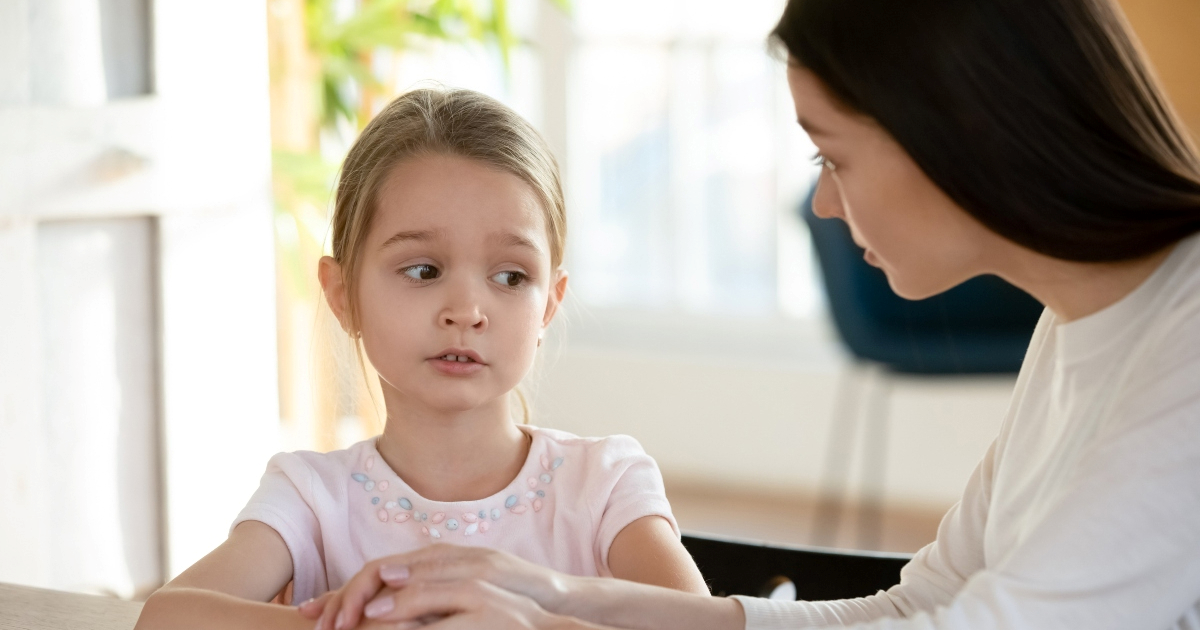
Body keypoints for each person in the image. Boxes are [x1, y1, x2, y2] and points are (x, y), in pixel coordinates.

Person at [304, 0, 1200, 628]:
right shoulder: (1078, 325)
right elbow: (917, 604)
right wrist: (552, 592)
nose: (823, 206)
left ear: (955, 134)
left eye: (831, 157)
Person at [134, 87, 708, 630]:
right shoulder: (312, 496)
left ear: (549, 306)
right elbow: (164, 618)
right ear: (342, 295)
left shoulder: (603, 485)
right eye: (423, 270)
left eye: (510, 276)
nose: (467, 310)